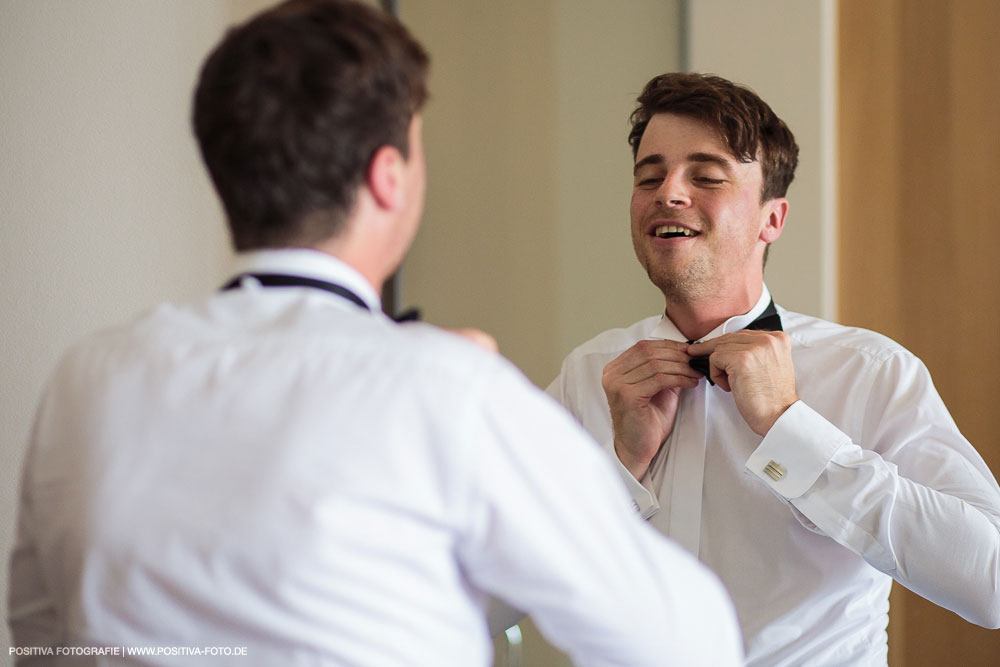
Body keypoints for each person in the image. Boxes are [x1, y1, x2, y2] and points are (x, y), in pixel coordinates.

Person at [7, 4, 743, 666]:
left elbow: (40, 637)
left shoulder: (89, 377)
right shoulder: (451, 389)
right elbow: (686, 641)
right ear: (389, 176)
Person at [548, 72, 1000, 666]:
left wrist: (793, 432)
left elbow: (990, 582)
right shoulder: (588, 376)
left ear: (772, 220)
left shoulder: (870, 372)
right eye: (649, 177)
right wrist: (618, 471)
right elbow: (500, 581)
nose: (668, 193)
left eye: (705, 176)